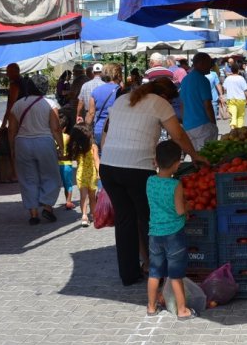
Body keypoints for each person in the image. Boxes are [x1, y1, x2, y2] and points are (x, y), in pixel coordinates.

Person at [99, 77, 209, 286]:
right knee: (151, 220)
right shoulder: (160, 103)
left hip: (109, 167)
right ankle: (157, 271)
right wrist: (194, 155)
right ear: (166, 95)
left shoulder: (123, 99)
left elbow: (106, 131)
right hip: (137, 168)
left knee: (125, 220)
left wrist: (106, 158)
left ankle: (129, 275)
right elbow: (178, 135)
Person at [146, 139, 196, 320]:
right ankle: (182, 310)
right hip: (174, 234)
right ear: (177, 164)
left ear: (156, 161)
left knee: (154, 272)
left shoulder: (150, 181)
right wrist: (187, 206)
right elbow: (180, 210)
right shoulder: (176, 185)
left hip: (154, 234)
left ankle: (151, 307)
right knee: (175, 274)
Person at [8, 74, 64, 225]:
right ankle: (47, 207)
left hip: (23, 143)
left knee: (28, 178)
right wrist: (61, 147)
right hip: (44, 142)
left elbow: (11, 129)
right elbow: (56, 128)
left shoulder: (18, 104)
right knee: (51, 175)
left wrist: (12, 147)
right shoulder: (50, 104)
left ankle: (33, 213)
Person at [180, 53, 218, 151]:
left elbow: (182, 104)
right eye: (209, 63)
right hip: (202, 125)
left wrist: (184, 123)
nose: (211, 66)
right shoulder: (202, 80)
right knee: (208, 156)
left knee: (197, 158)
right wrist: (213, 125)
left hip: (188, 126)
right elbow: (207, 105)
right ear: (201, 63)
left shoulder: (185, 80)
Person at [69, 123, 100, 228]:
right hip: (86, 175)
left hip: (87, 175)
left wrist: (99, 172)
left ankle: (89, 215)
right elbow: (96, 160)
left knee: (88, 196)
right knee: (87, 196)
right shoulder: (85, 147)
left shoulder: (86, 147)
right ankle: (87, 215)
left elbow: (96, 159)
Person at [0, 63, 23, 183]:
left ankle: (15, 174)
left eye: (9, 71)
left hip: (15, 118)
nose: (7, 74)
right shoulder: (24, 82)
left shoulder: (15, 84)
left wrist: (4, 123)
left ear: (16, 71)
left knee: (12, 145)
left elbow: (11, 104)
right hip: (24, 117)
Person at [87, 63, 122, 147]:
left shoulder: (96, 91)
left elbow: (91, 114)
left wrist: (87, 127)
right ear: (118, 75)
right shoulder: (121, 91)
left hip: (99, 130)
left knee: (99, 156)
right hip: (117, 130)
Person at [223, 64, 247, 129]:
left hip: (231, 99)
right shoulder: (241, 78)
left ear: (231, 70)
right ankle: (239, 129)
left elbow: (224, 88)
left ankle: (233, 125)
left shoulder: (228, 78)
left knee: (233, 114)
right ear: (238, 70)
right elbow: (245, 90)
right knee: (240, 116)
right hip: (240, 99)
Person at [61, 64, 87, 132]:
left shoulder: (77, 81)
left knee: (76, 125)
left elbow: (73, 94)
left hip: (76, 107)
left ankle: (75, 139)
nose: (73, 73)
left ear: (78, 72)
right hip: (86, 106)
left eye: (74, 72)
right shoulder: (88, 79)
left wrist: (67, 96)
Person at [58, 114, 75, 210]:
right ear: (65, 128)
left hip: (55, 164)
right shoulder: (67, 137)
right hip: (66, 165)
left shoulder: (52, 137)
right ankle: (68, 201)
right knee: (68, 185)